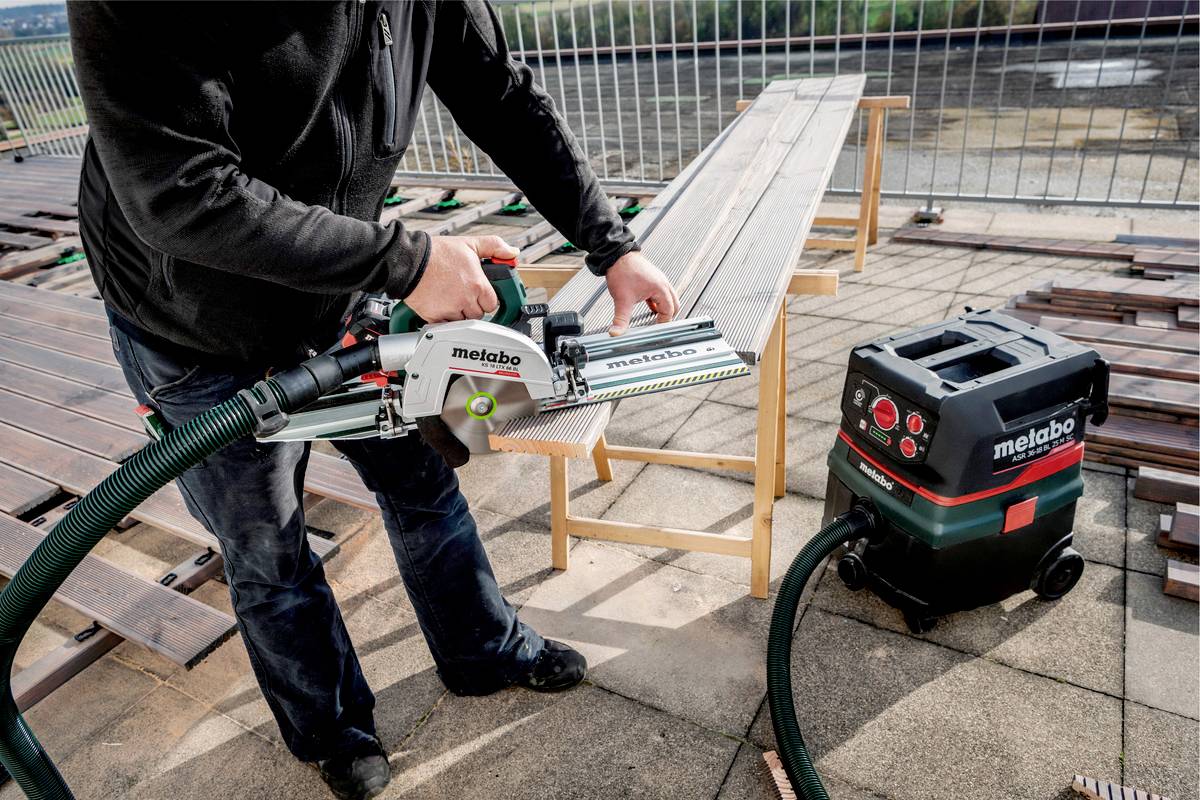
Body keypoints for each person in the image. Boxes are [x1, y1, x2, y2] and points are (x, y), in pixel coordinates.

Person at [66, 3, 678, 798]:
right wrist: (410, 262)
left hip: (336, 278)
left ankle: (482, 651)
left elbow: (503, 96)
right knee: (269, 548)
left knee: (425, 476)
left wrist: (612, 244)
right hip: (190, 324)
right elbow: (181, 193)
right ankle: (333, 732)